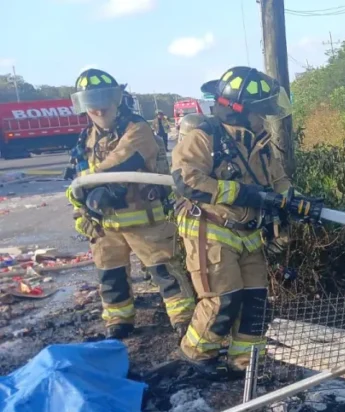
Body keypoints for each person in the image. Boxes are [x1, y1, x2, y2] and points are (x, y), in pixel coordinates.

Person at [171, 66, 320, 375]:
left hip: (248, 233)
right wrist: (242, 194)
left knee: (256, 300)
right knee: (222, 300)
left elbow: (278, 182)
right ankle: (197, 355)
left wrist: (297, 201)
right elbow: (187, 180)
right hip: (211, 229)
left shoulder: (259, 143)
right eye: (261, 112)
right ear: (240, 110)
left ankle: (246, 363)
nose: (264, 118)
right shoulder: (204, 136)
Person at [67, 68, 195, 340]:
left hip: (145, 219)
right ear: (83, 105)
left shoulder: (138, 129)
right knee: (110, 277)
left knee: (165, 272)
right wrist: (81, 211)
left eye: (104, 101)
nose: (99, 110)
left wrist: (89, 183)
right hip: (105, 225)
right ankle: (119, 322)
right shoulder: (86, 138)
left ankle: (184, 321)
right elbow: (77, 179)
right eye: (92, 103)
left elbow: (121, 163)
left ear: (117, 99)